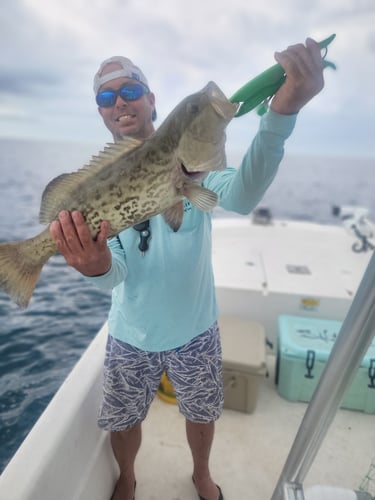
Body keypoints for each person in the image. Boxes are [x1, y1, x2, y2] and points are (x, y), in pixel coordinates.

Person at [50, 38, 325, 500]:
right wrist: (95, 267)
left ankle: (201, 473)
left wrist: (280, 117)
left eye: (130, 90)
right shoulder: (103, 182)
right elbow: (114, 271)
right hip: (130, 332)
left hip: (195, 329)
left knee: (202, 411)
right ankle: (128, 477)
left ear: (151, 98)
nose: (119, 102)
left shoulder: (197, 169)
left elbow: (240, 194)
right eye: (106, 96)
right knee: (123, 418)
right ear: (99, 111)